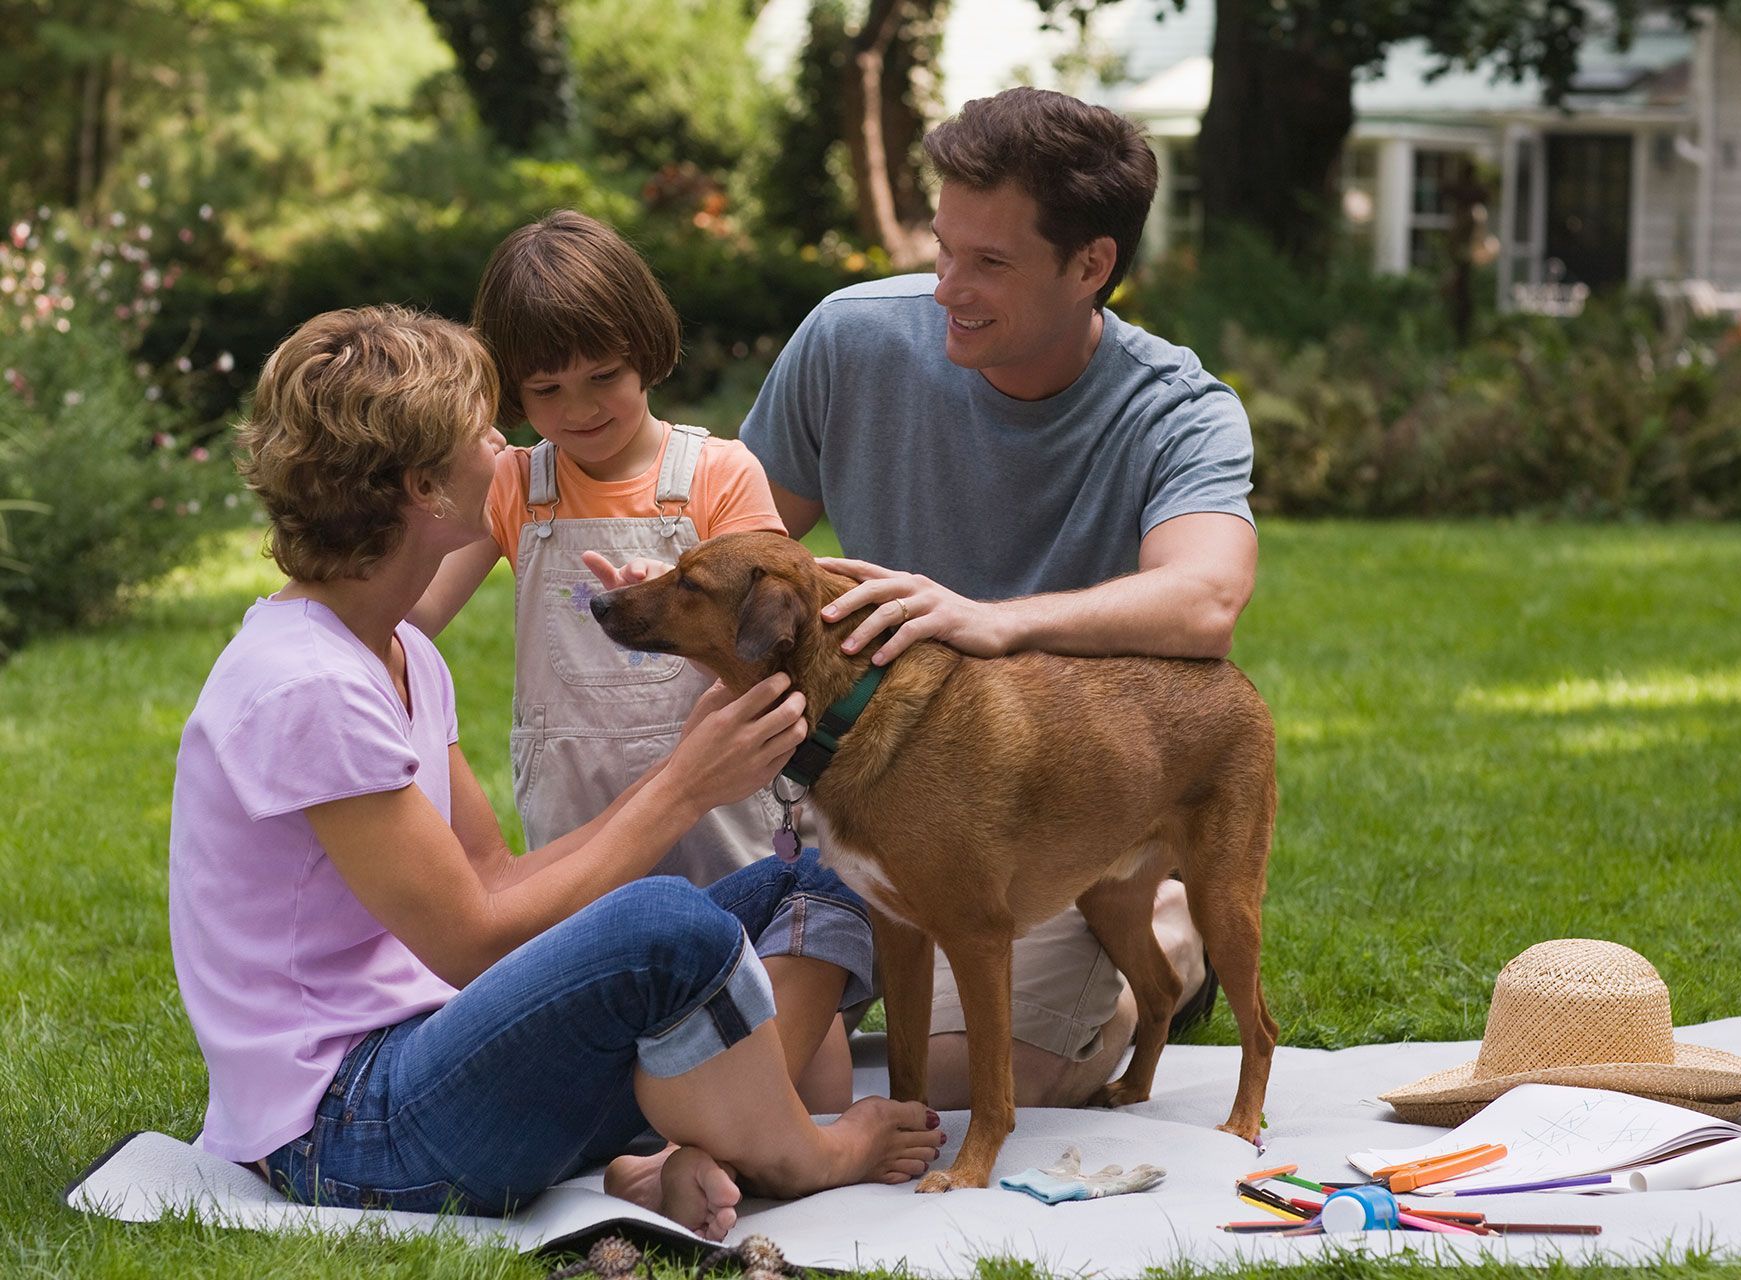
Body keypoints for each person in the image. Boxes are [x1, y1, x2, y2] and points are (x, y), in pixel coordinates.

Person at [168, 305, 942, 1240]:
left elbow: (493, 879)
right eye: (481, 428)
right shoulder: (307, 686)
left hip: (435, 1054)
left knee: (824, 882)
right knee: (667, 923)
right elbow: (473, 942)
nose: (504, 440)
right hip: (349, 1126)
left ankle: (678, 1152)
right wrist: (683, 786)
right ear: (424, 487)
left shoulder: (400, 650)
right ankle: (804, 1152)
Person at [739, 87, 1257, 1110]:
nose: (947, 290)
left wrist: (996, 619)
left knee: (955, 1074)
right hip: (858, 777)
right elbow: (748, 540)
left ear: (1091, 264)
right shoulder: (850, 342)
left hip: (1033, 811)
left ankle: (1147, 925)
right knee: (739, 1044)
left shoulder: (1178, 411)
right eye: (944, 250)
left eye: (990, 264)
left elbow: (1206, 602)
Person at [406, 212, 854, 1109]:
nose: (580, 410)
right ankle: (671, 1130)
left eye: (603, 376)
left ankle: (737, 1116)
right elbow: (411, 618)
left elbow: (786, 624)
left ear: (648, 348)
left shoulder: (719, 475)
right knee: (616, 1032)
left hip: (724, 813)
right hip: (580, 825)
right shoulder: (515, 488)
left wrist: (675, 587)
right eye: (547, 389)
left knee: (806, 1069)